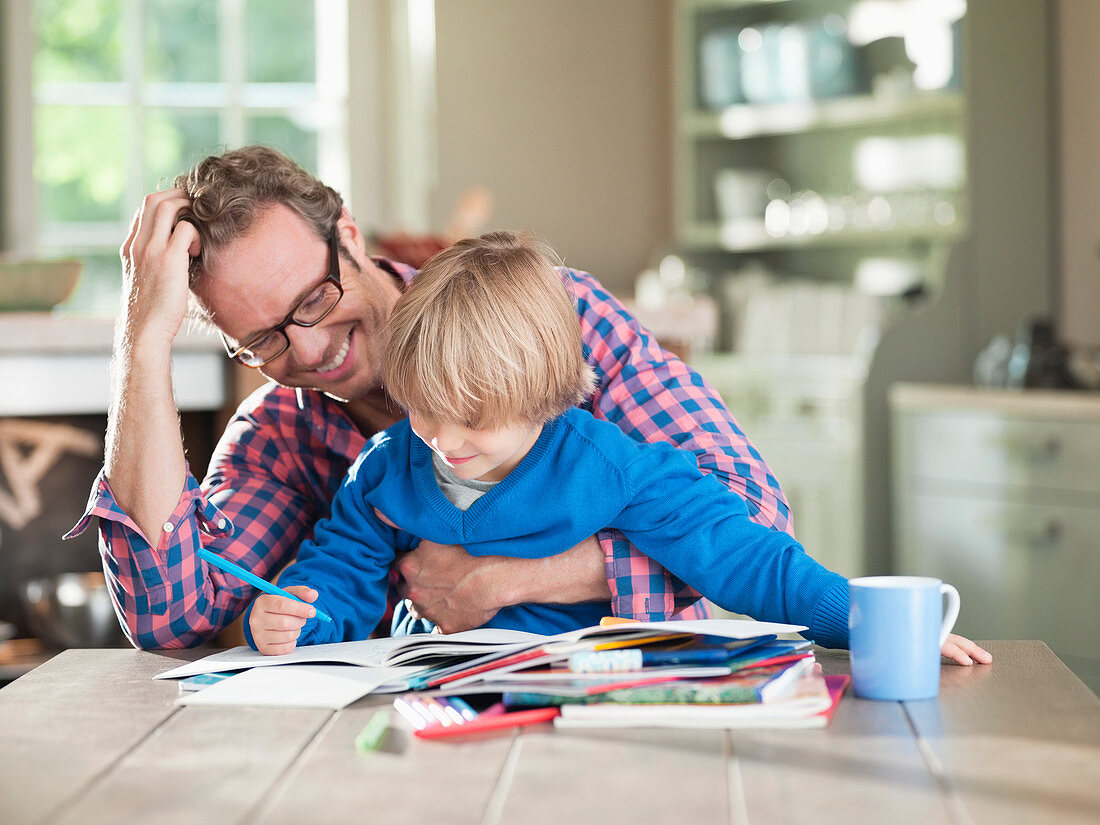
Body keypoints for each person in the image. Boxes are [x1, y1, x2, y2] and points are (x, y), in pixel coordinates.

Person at [65, 145, 982, 664]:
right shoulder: (342, 453)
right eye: (260, 341)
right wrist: (143, 338)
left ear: (348, 233)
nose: (303, 349)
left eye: (309, 302)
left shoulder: (545, 323)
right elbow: (174, 614)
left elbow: (745, 529)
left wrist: (517, 577)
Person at [247, 231, 990, 669]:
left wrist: (865, 619)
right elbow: (337, 567)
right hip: (433, 690)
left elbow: (745, 556)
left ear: (540, 389)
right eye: (423, 412)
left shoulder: (608, 463)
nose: (441, 440)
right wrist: (295, 618)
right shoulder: (387, 464)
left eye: (470, 416)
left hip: (587, 690)